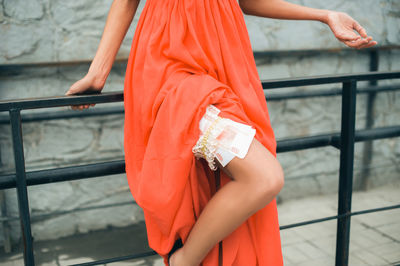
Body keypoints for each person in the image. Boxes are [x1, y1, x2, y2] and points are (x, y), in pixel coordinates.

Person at [65, 0, 376, 265]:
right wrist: (98, 72)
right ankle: (182, 260)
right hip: (174, 73)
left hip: (222, 70)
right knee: (263, 177)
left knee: (221, 187)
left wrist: (324, 15)